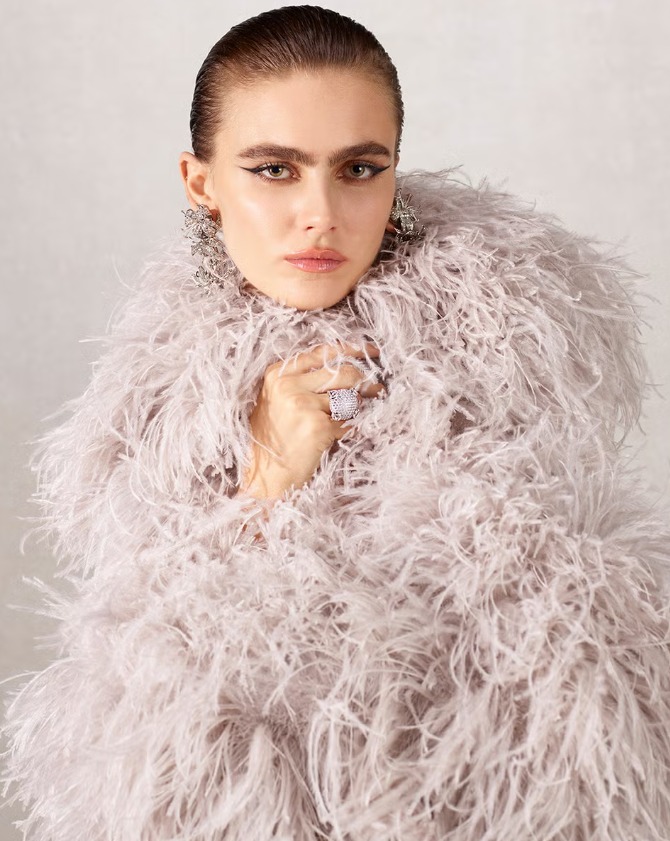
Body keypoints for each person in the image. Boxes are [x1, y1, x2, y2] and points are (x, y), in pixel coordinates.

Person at [2, 6, 669, 840]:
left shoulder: (502, 346)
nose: (320, 212)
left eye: (358, 168)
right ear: (201, 184)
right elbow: (148, 682)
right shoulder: (149, 410)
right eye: (274, 169)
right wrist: (262, 487)